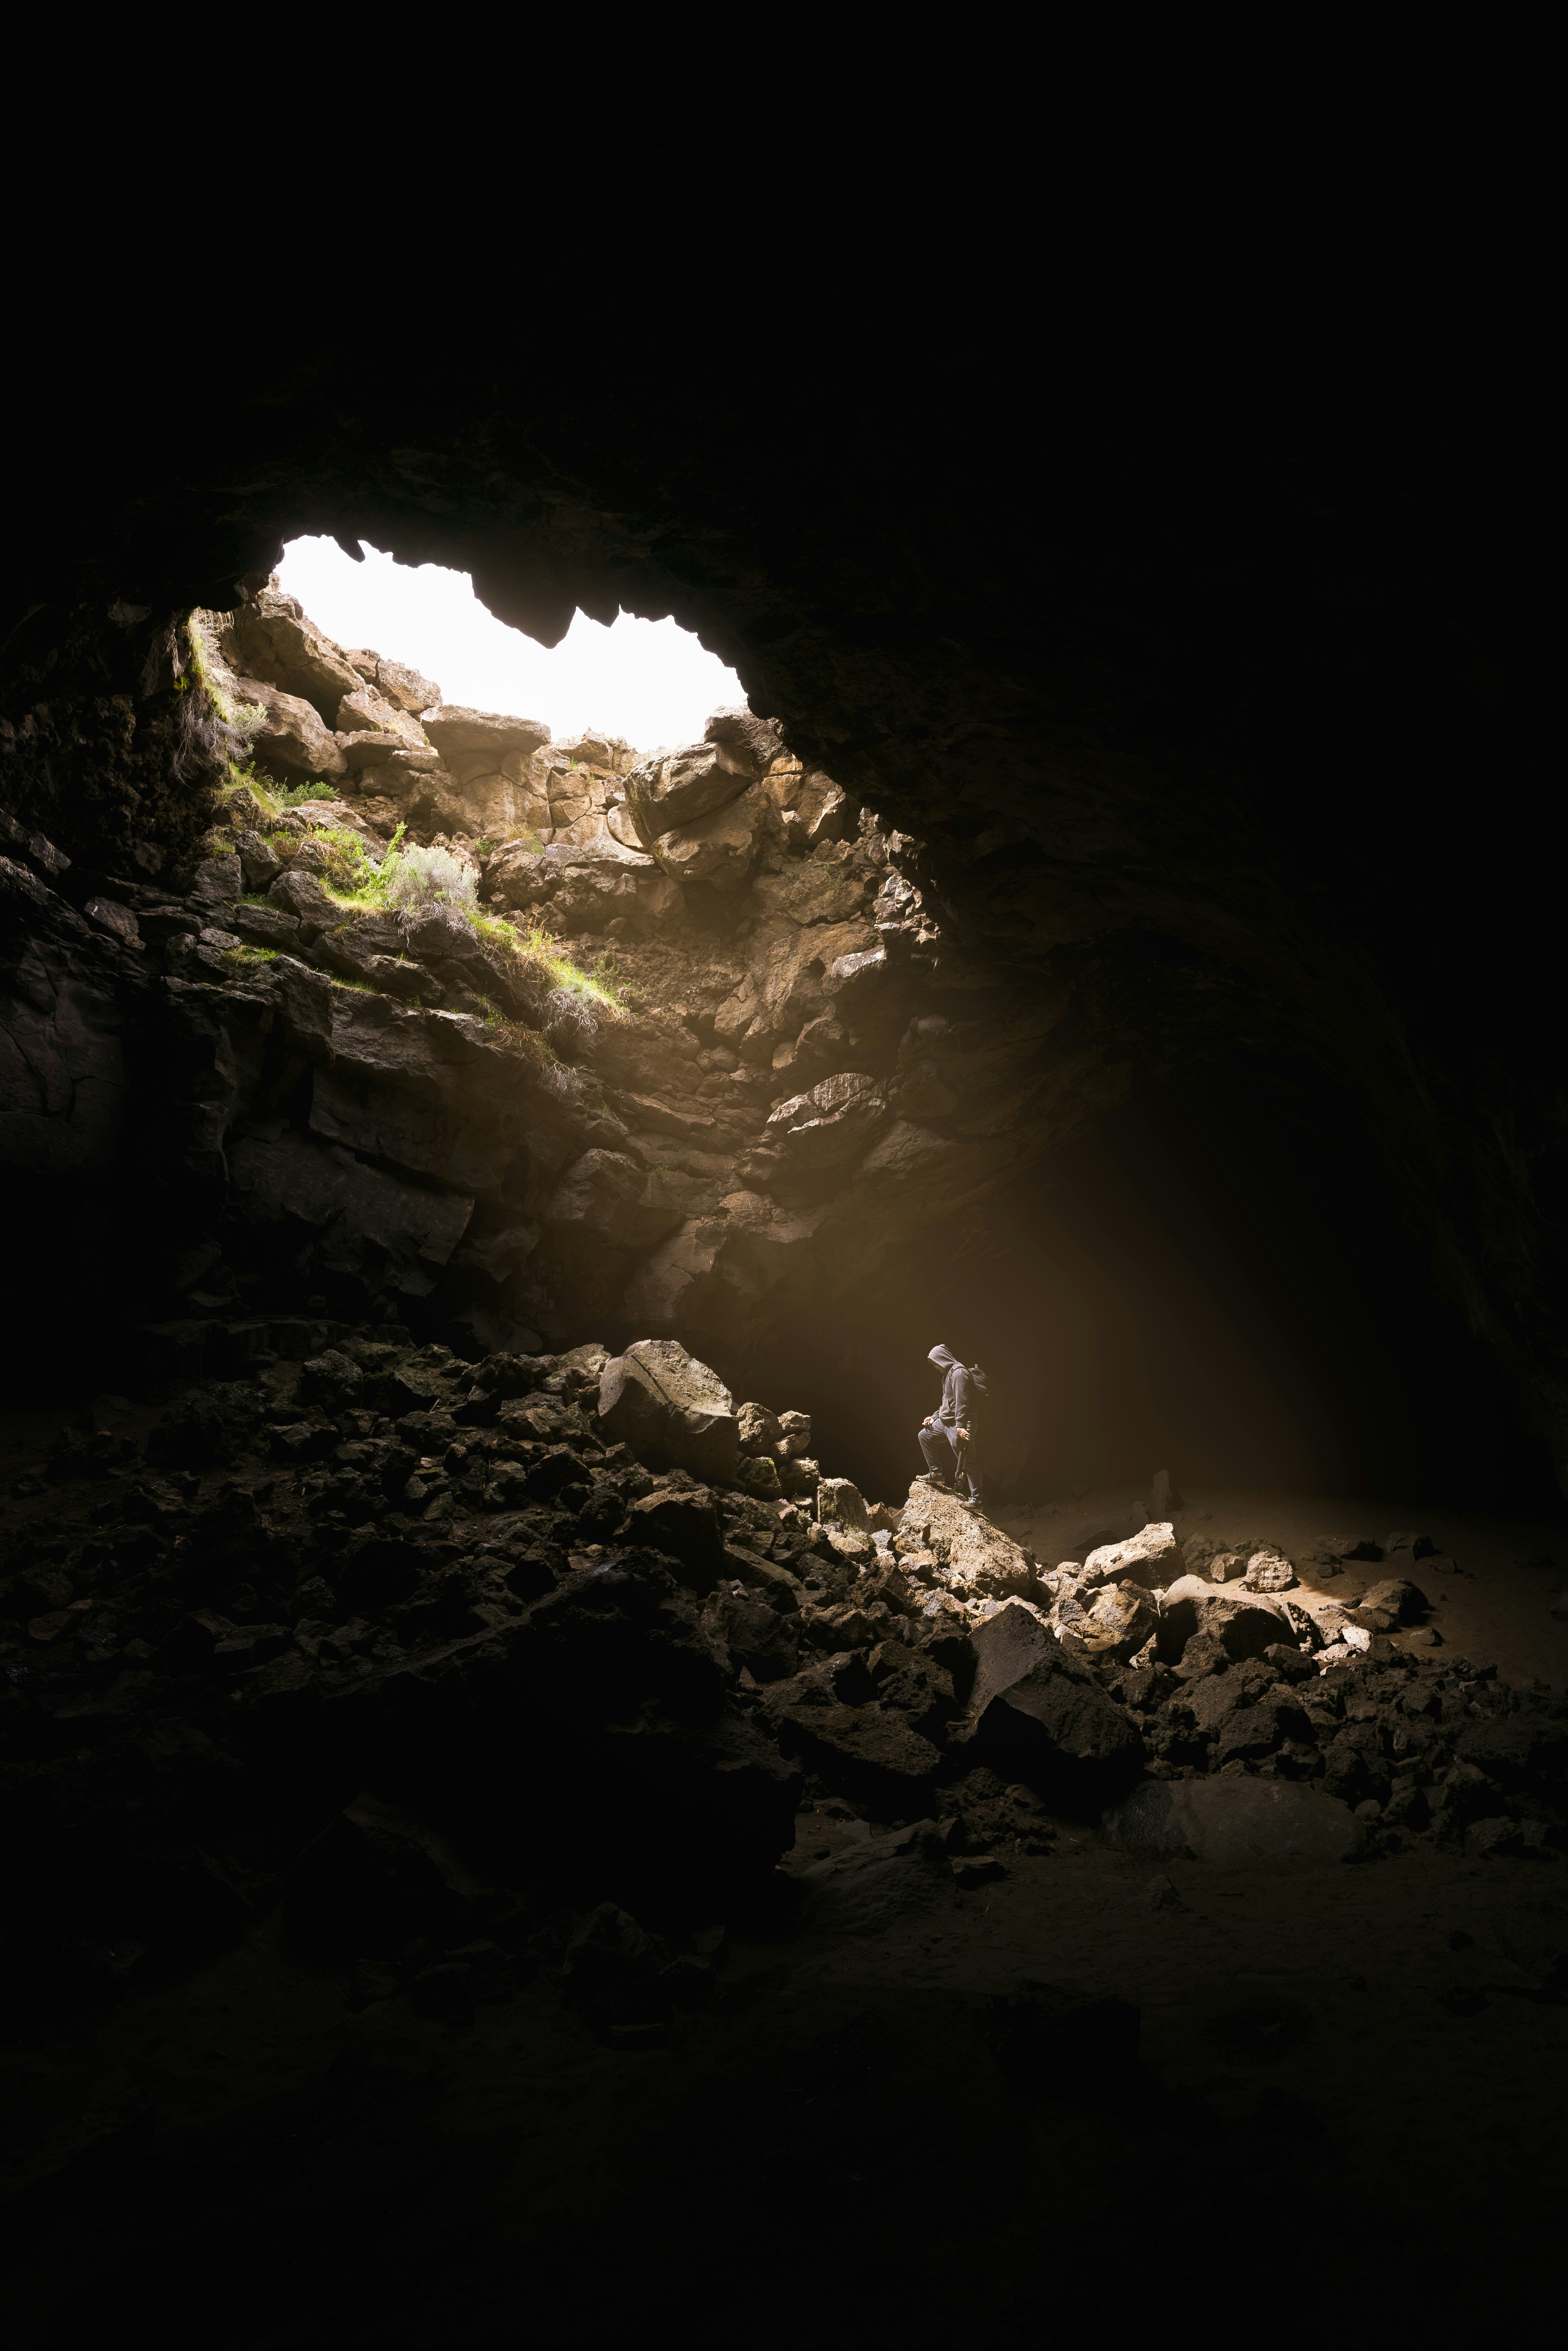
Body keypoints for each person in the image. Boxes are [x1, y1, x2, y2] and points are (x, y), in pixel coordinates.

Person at [917, 1343, 987, 1511]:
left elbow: (963, 1402)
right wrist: (934, 1417)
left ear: (942, 1359)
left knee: (968, 1462)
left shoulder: (959, 1373)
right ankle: (937, 1475)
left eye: (935, 1363)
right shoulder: (947, 1375)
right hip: (946, 1422)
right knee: (925, 1436)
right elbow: (947, 1402)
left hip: (959, 1425)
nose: (935, 1367)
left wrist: (961, 1426)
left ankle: (977, 1501)